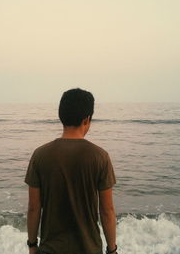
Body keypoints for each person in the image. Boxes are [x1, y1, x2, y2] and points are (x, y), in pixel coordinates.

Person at [25, 88, 117, 254]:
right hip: (89, 249)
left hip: (50, 249)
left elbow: (34, 207)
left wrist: (32, 245)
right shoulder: (100, 157)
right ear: (87, 119)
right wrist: (112, 250)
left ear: (61, 116)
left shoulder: (40, 155)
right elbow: (107, 210)